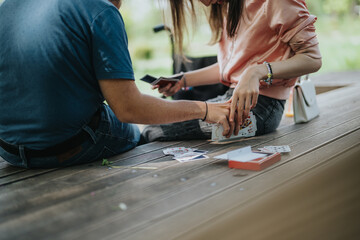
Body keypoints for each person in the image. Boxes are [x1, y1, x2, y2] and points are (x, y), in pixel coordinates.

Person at [0, 0, 232, 169]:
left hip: (8, 149)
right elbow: (129, 109)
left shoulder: (8, 6)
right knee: (137, 132)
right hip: (64, 149)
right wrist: (204, 109)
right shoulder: (100, 11)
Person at [142, 0, 322, 142]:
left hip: (260, 108)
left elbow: (312, 58)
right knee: (153, 122)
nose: (204, 4)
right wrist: (183, 80)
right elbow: (232, 68)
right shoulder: (227, 5)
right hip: (231, 100)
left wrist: (256, 72)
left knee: (153, 130)